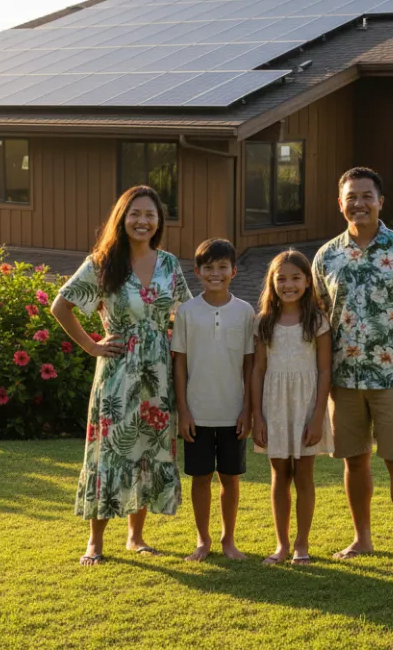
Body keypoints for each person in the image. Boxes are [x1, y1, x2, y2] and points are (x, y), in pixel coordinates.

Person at [51, 185, 192, 566]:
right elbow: (59, 306)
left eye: (150, 215)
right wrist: (92, 345)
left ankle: (136, 536)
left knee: (147, 447)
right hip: (117, 372)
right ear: (122, 218)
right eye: (135, 214)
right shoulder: (101, 263)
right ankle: (95, 542)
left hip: (159, 372)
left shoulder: (169, 264)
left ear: (159, 221)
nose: (143, 221)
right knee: (110, 451)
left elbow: (187, 315)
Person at [312, 167, 393, 571]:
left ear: (381, 202)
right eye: (352, 197)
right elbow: (319, 320)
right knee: (354, 460)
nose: (359, 203)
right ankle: (362, 539)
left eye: (367, 196)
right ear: (340, 203)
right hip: (344, 378)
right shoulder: (326, 256)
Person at [172, 238, 255, 563]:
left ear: (233, 271)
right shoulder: (187, 312)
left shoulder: (245, 311)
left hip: (233, 413)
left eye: (222, 267)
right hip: (198, 413)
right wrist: (183, 411)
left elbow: (250, 365)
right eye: (209, 268)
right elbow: (179, 363)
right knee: (200, 478)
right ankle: (202, 540)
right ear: (197, 272)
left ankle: (228, 540)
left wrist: (247, 410)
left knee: (230, 479)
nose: (216, 273)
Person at [251, 249, 333, 566]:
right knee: (279, 475)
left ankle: (302, 544)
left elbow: (325, 371)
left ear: (307, 281)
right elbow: (257, 370)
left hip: (307, 406)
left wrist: (316, 418)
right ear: (272, 282)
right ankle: (281, 544)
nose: (288, 284)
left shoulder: (317, 321)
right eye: (281, 278)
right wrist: (258, 415)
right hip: (274, 407)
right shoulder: (263, 322)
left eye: (296, 277)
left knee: (304, 476)